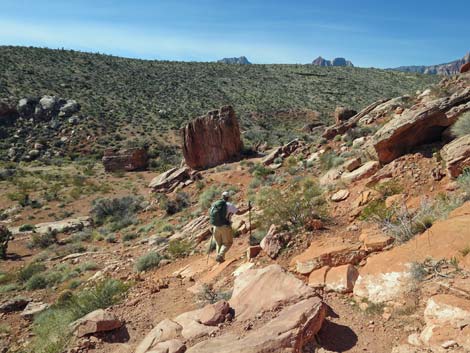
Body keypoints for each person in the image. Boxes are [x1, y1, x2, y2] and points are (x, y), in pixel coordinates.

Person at [209, 191, 239, 263]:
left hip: (215, 226)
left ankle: (219, 259)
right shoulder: (229, 205)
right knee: (227, 243)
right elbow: (239, 212)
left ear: (222, 196)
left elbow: (211, 215)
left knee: (218, 243)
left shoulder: (215, 204)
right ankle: (220, 256)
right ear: (228, 197)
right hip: (224, 226)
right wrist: (248, 209)